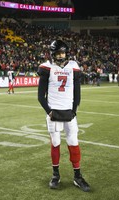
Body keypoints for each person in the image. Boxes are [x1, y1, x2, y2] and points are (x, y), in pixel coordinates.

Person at [37, 40, 90, 192]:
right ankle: (55, 175)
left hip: (69, 112)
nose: (62, 55)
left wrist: (74, 110)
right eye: (59, 53)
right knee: (55, 142)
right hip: (54, 111)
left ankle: (77, 176)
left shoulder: (73, 66)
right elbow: (41, 96)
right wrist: (49, 111)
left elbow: (77, 92)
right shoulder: (47, 67)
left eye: (63, 52)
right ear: (53, 54)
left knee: (74, 142)